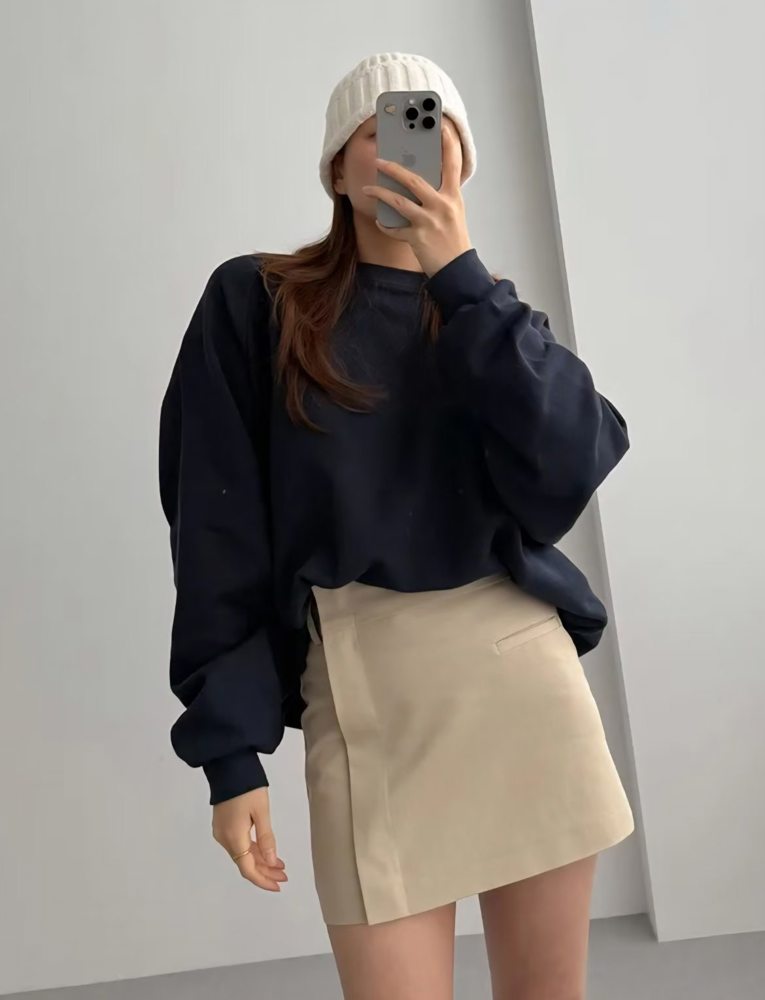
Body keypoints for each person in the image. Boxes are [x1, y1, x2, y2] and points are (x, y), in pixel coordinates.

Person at [158, 51, 635, 1000]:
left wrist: (461, 279)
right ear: (336, 168)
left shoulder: (490, 318)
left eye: (429, 128)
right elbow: (214, 537)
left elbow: (571, 469)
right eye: (377, 130)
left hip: (520, 684)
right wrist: (228, 751)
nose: (406, 147)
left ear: (459, 165)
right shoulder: (256, 303)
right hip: (362, 696)